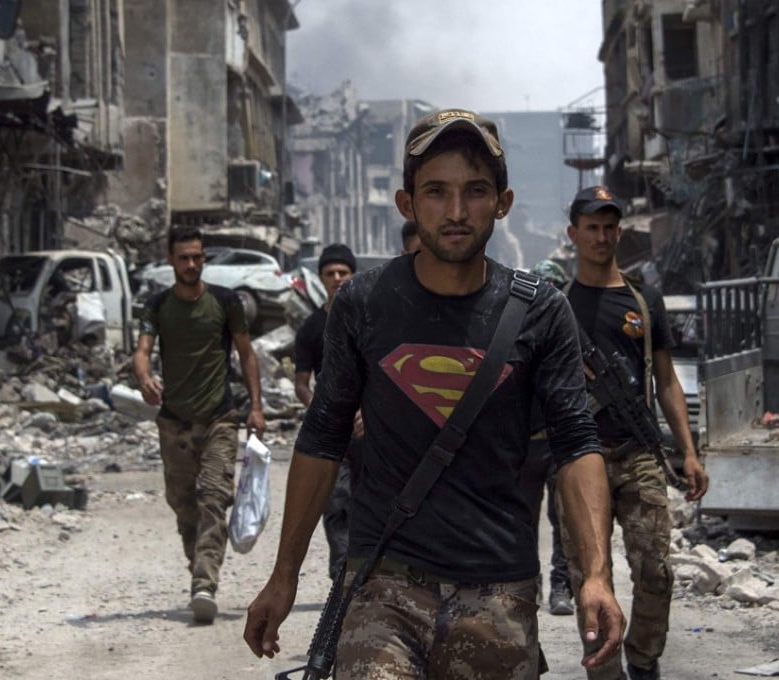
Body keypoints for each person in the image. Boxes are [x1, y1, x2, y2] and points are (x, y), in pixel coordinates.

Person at [244, 108, 625, 678]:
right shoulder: (362, 304)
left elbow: (576, 445)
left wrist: (596, 575)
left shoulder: (541, 310)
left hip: (498, 591)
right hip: (383, 584)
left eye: (475, 191)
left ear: (503, 202)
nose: (456, 211)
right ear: (407, 203)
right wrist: (283, 576)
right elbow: (323, 438)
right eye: (436, 191)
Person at [560, 186, 710, 680]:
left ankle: (644, 660)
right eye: (592, 228)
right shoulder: (558, 307)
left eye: (609, 228)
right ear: (574, 234)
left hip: (639, 452)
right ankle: (605, 672)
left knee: (655, 570)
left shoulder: (643, 301)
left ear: (619, 232)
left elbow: (665, 380)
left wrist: (688, 451)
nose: (602, 237)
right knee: (588, 577)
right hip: (580, 457)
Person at [133, 225, 266, 624]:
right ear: (171, 260)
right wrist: (144, 378)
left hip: (219, 418)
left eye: (197, 257)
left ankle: (204, 583)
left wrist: (256, 407)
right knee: (183, 504)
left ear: (204, 258)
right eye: (184, 258)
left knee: (214, 497)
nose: (191, 264)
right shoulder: (157, 306)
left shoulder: (225, 302)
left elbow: (246, 354)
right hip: (174, 422)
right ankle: (199, 566)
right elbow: (142, 350)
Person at [293, 243, 362, 580]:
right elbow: (301, 383)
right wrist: (322, 411)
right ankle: (342, 577)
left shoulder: (369, 320)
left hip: (369, 429)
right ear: (320, 277)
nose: (337, 278)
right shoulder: (311, 327)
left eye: (343, 272)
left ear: (352, 275)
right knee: (335, 502)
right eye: (330, 273)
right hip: (333, 432)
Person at [520, 259, 574, 616]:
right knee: (522, 520)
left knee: (564, 519)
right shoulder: (516, 333)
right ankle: (529, 583)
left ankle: (561, 586)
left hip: (557, 443)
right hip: (524, 444)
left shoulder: (567, 335)